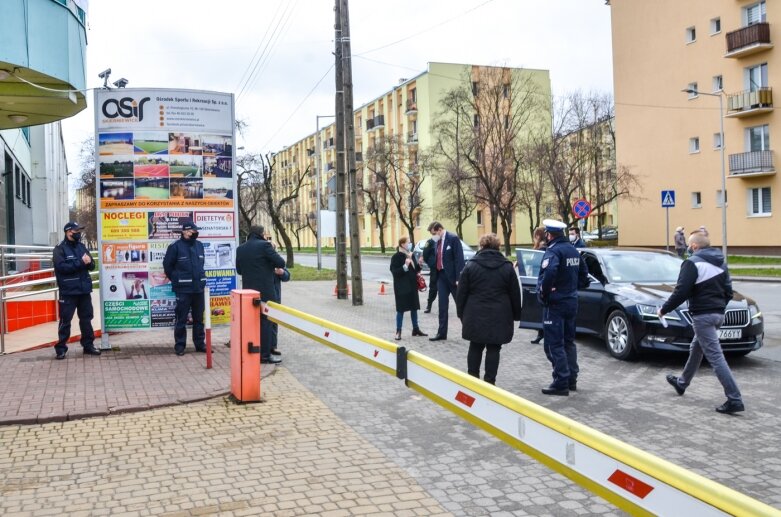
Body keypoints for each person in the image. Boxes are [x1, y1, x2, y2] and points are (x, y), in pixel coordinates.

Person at [659, 232, 744, 414]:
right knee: (696, 348)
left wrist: (664, 309)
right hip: (718, 315)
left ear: (695, 246)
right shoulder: (721, 262)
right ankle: (682, 383)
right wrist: (719, 308)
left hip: (702, 316)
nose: (688, 248)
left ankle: (734, 398)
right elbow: (729, 291)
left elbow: (681, 291)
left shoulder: (692, 263)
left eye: (689, 245)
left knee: (715, 357)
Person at [456, 233, 522, 385]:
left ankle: (472, 380)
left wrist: (461, 313)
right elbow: (515, 293)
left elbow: (461, 293)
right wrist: (516, 315)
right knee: (494, 348)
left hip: (474, 313)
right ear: (498, 247)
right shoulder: (507, 267)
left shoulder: (470, 266)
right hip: (500, 315)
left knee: (475, 346)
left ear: (482, 246)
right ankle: (489, 382)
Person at [536, 219, 590, 395]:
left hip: (556, 303)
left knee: (553, 344)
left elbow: (550, 272)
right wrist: (572, 287)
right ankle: (571, 379)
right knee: (568, 342)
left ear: (550, 235)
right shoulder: (573, 250)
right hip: (571, 301)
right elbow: (584, 275)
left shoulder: (554, 251)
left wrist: (545, 293)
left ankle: (561, 381)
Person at [236, 225, 286, 364]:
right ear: (261, 234)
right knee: (266, 322)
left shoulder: (241, 248)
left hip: (248, 292)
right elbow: (281, 263)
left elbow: (239, 270)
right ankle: (264, 355)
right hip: (266, 291)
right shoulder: (265, 246)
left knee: (252, 322)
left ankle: (252, 351)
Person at [53, 222, 100, 360]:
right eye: (76, 230)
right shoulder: (59, 249)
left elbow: (91, 265)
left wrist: (88, 262)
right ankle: (61, 348)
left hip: (84, 291)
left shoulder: (82, 247)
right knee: (65, 320)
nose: (79, 232)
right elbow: (62, 268)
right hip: (68, 292)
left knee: (86, 319)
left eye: (79, 230)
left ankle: (88, 345)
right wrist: (81, 262)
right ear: (68, 232)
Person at [163, 220, 207, 356]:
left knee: (199, 319)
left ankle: (200, 344)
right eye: (192, 231)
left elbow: (201, 265)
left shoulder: (199, 245)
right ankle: (180, 345)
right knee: (181, 318)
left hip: (198, 289)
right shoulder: (175, 247)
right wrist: (177, 280)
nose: (195, 233)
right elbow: (168, 267)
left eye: (195, 231)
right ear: (185, 231)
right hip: (183, 290)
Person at [428, 221, 465, 341]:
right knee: (442, 306)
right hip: (441, 277)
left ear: (439, 229)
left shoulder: (453, 238)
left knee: (460, 305)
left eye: (434, 233)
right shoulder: (437, 241)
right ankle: (442, 333)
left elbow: (459, 259)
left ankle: (470, 330)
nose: (433, 236)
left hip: (453, 279)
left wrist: (459, 278)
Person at [390, 236, 427, 340]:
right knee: (400, 309)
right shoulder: (396, 257)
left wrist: (419, 264)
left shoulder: (411, 255)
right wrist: (405, 266)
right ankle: (398, 331)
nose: (410, 244)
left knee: (414, 307)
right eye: (408, 242)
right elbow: (395, 272)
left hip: (412, 286)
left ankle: (415, 329)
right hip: (401, 287)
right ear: (402, 244)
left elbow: (415, 270)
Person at [270, 239, 290, 357]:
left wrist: (282, 273)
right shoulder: (261, 262)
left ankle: (273, 346)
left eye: (273, 249)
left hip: (276, 296)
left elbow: (287, 277)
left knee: (274, 322)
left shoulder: (278, 262)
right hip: (263, 296)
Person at [527, 226, 547, 343]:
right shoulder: (543, 247)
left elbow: (535, 262)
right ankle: (541, 333)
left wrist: (521, 262)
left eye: (535, 237)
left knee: (541, 309)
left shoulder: (542, 248)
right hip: (539, 280)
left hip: (541, 281)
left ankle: (542, 333)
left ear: (538, 236)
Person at [419, 237, 439, 313]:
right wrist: (432, 264)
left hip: (444, 270)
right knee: (433, 288)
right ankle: (429, 305)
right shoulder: (430, 242)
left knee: (445, 289)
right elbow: (425, 254)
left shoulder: (444, 240)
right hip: (434, 270)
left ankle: (444, 307)